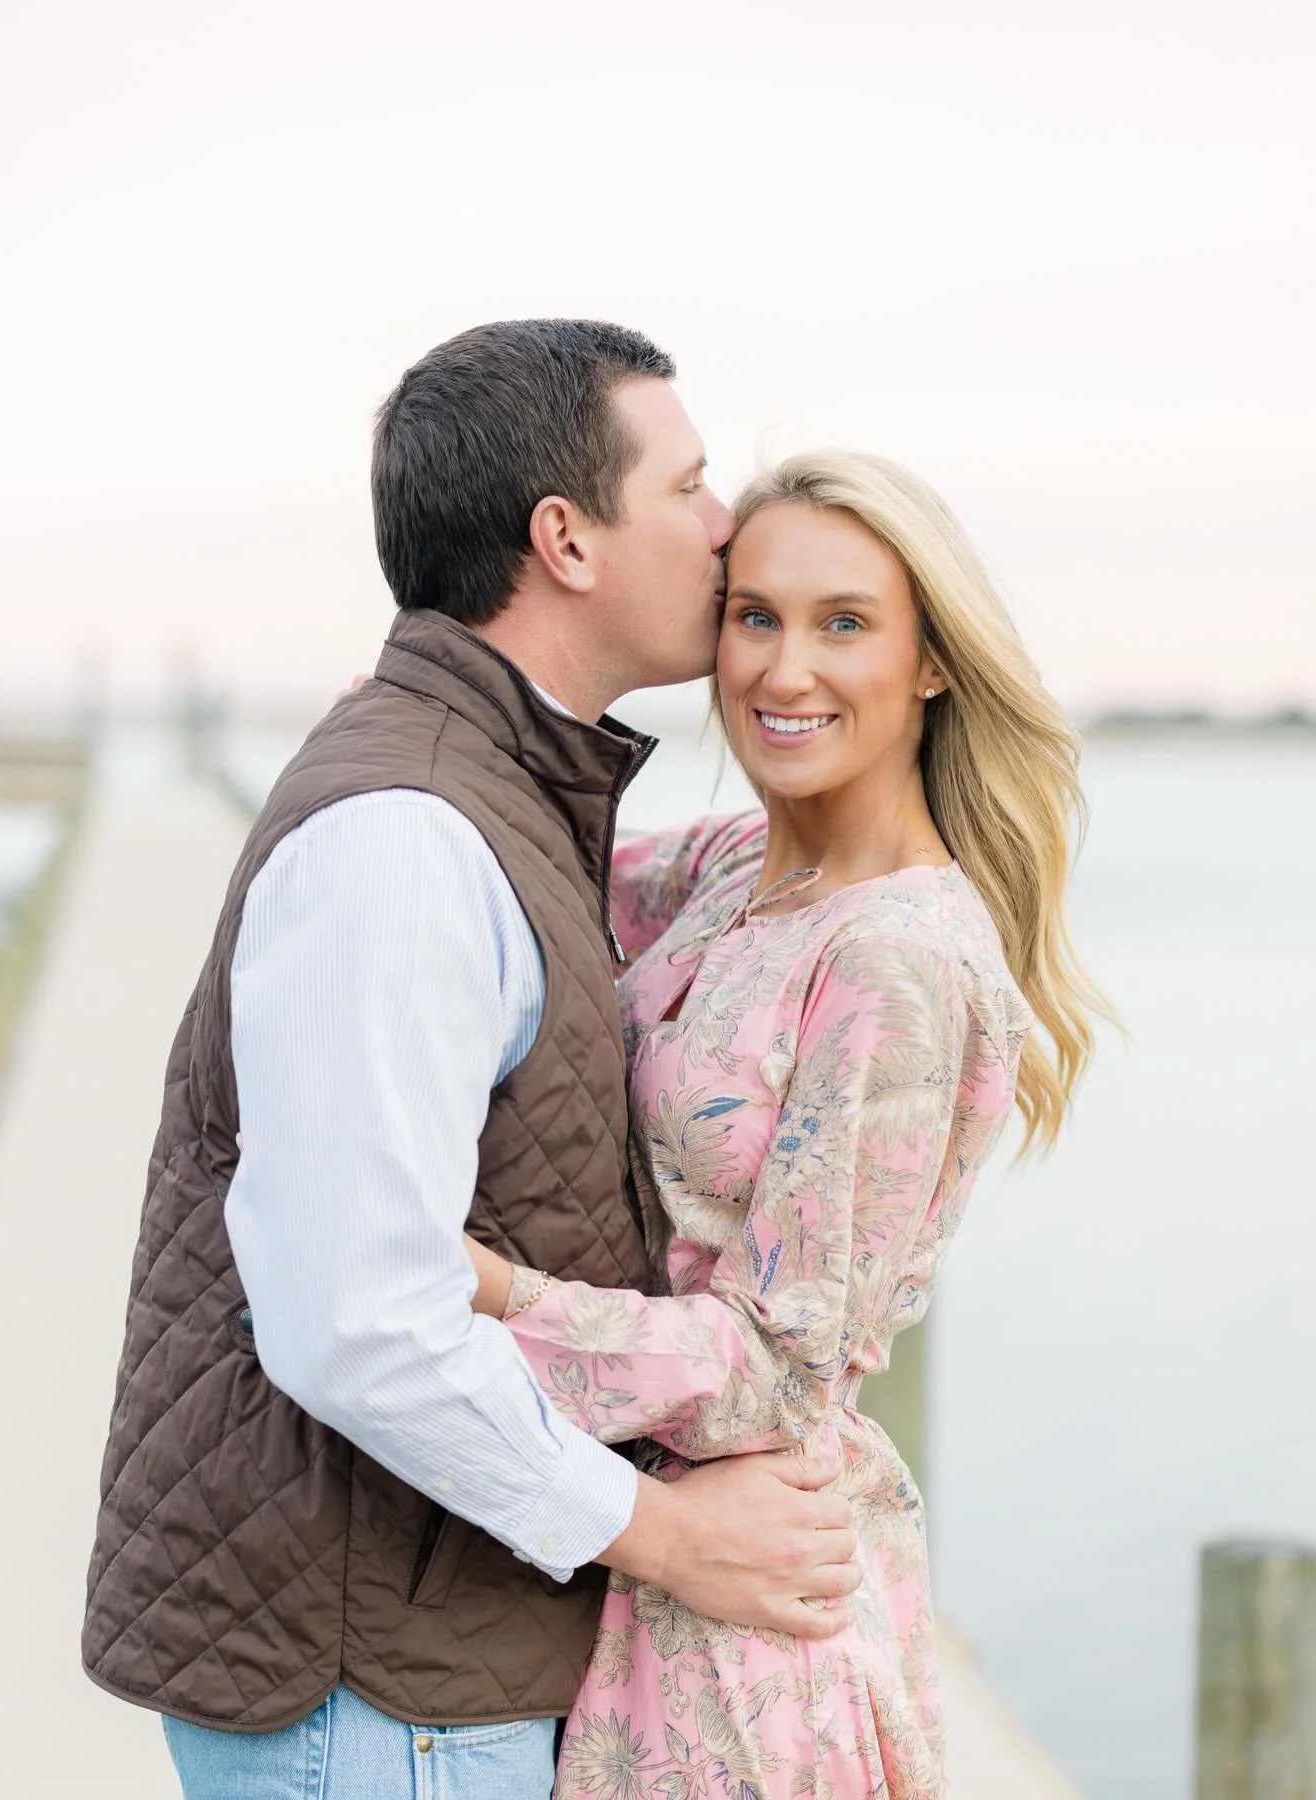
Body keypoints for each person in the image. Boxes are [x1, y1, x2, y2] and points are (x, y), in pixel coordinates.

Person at [81, 321, 863, 1800]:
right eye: (689, 487)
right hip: (375, 1698)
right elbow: (358, 1315)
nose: (726, 529)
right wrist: (670, 1539)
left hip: (415, 1674)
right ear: (566, 538)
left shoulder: (503, 787)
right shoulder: (409, 838)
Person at [463, 451, 1110, 1799]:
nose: (784, 670)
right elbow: (499, 856)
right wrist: (423, 732)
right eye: (754, 616)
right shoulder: (728, 871)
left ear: (933, 661)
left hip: (746, 1640)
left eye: (844, 623)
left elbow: (779, 1368)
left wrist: (480, 1294)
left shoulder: (902, 956)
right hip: (634, 1565)